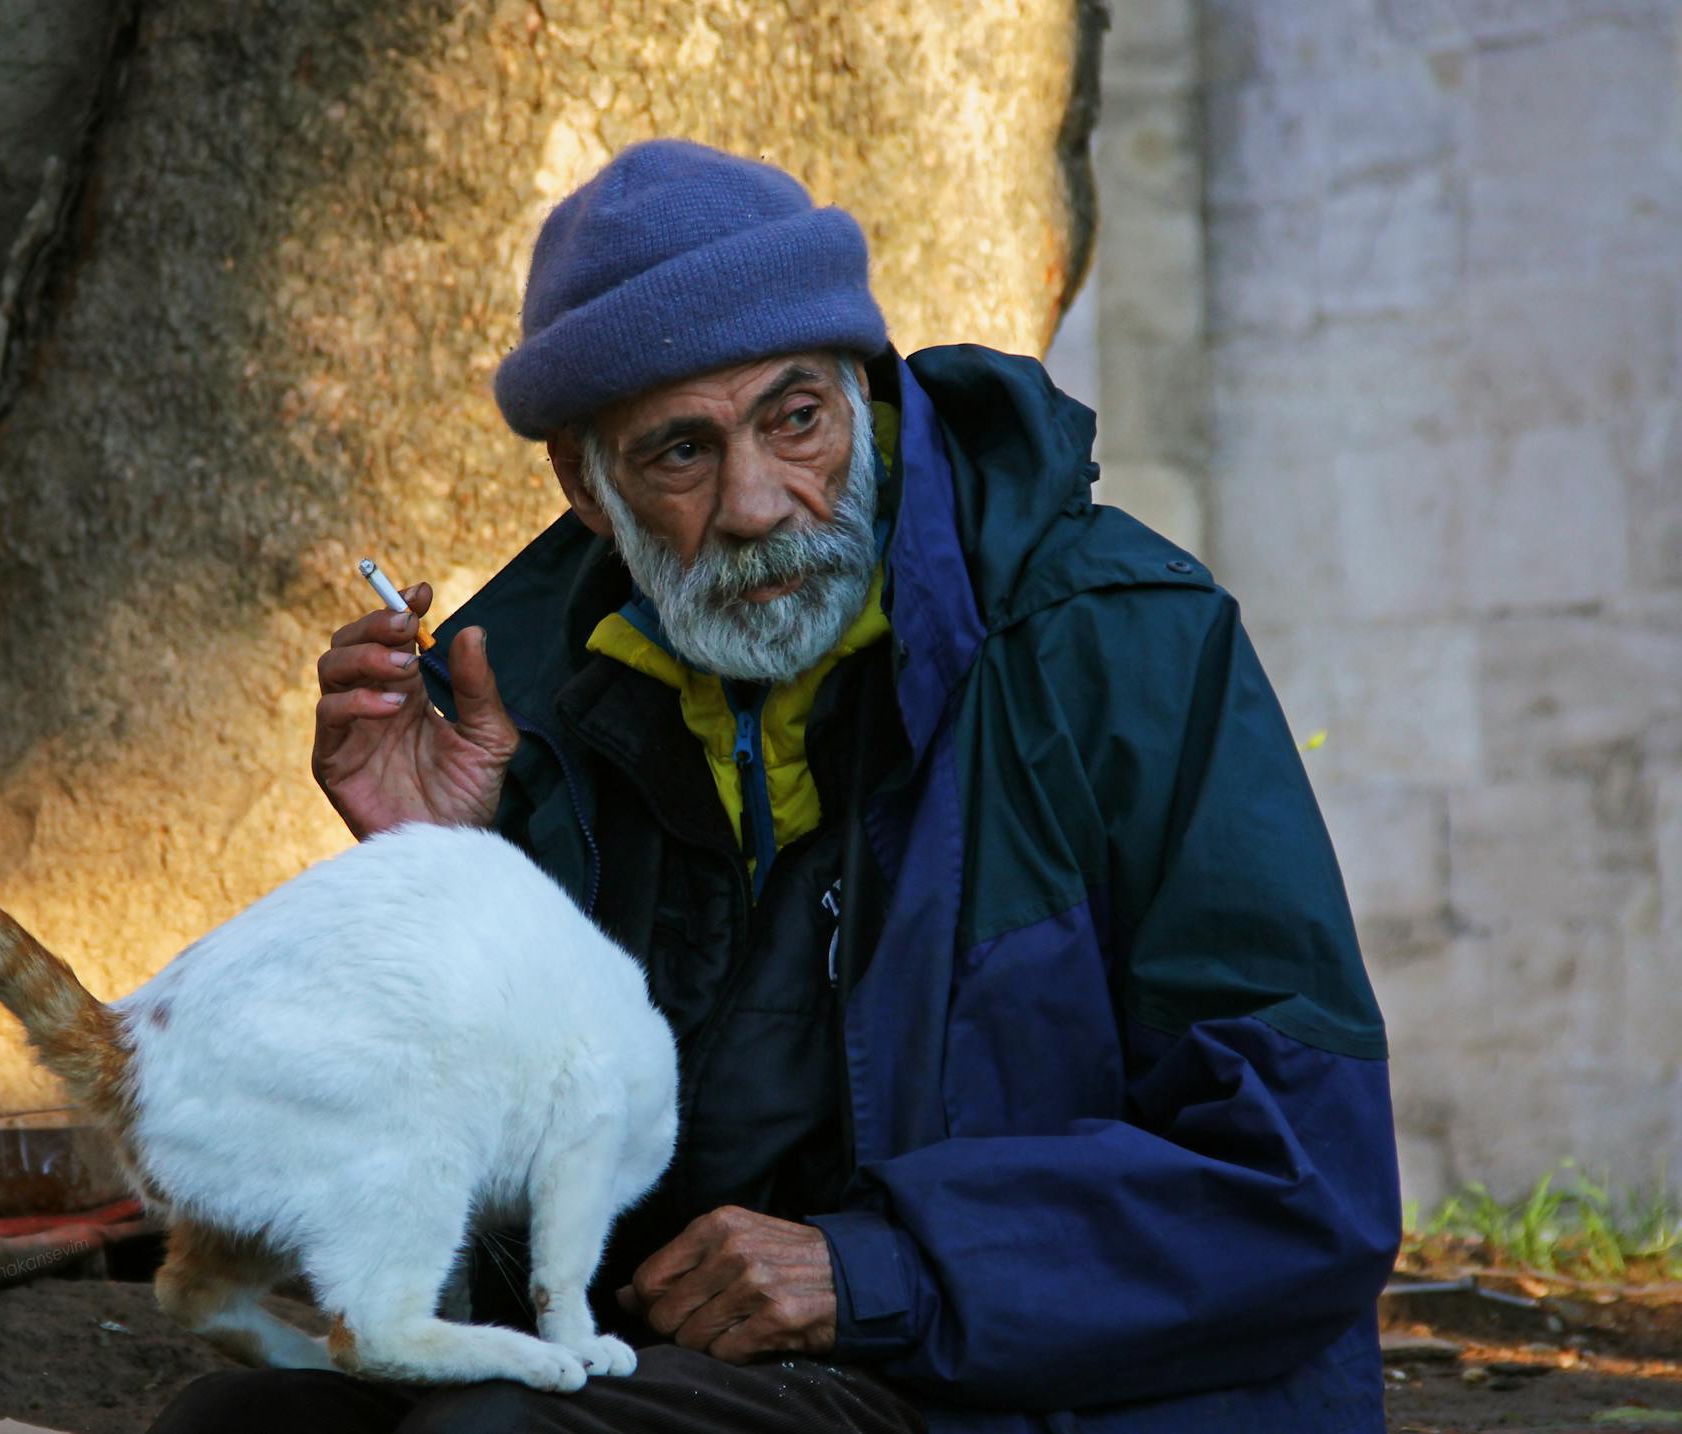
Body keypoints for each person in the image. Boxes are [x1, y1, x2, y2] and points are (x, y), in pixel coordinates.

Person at [148, 139, 1401, 1434]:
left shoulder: (1117, 641)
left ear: (863, 390)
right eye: (681, 453)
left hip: (1032, 1384)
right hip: (717, 1366)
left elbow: (1306, 1182)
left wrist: (878, 1270)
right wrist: (453, 880)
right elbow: (507, 1213)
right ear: (588, 487)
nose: (757, 504)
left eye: (793, 419)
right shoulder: (549, 709)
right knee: (229, 1425)